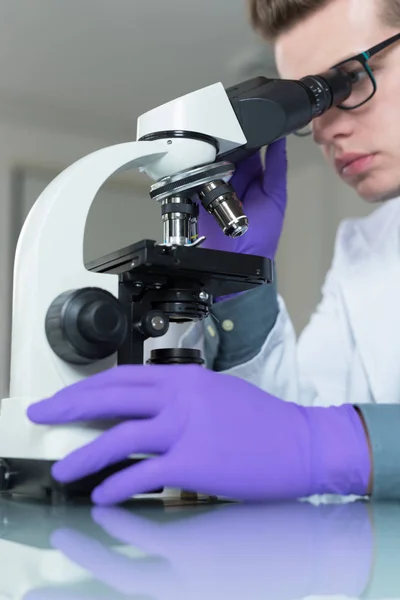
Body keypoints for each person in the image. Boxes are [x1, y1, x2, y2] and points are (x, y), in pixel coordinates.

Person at [27, 0, 400, 505]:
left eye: (351, 80)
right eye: (315, 102)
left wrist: (331, 444)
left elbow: (321, 444)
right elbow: (302, 444)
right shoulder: (363, 252)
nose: (324, 129)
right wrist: (238, 292)